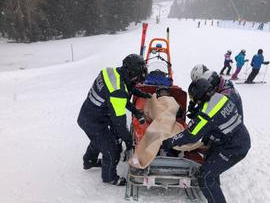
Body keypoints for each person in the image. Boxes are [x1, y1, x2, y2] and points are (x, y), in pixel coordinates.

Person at [162, 78, 251, 203]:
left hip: (234, 147)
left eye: (194, 99)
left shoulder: (208, 113)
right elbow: (216, 120)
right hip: (233, 137)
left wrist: (170, 141)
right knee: (210, 163)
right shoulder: (221, 97)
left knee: (205, 176)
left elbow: (191, 135)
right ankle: (214, 187)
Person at [77, 54, 151, 186]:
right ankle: (109, 177)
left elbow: (122, 93)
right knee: (113, 149)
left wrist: (139, 99)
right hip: (93, 121)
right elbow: (120, 124)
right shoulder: (118, 92)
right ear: (131, 73)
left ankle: (89, 161)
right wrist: (129, 143)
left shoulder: (111, 72)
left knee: (99, 139)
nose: (137, 81)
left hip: (91, 113)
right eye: (137, 78)